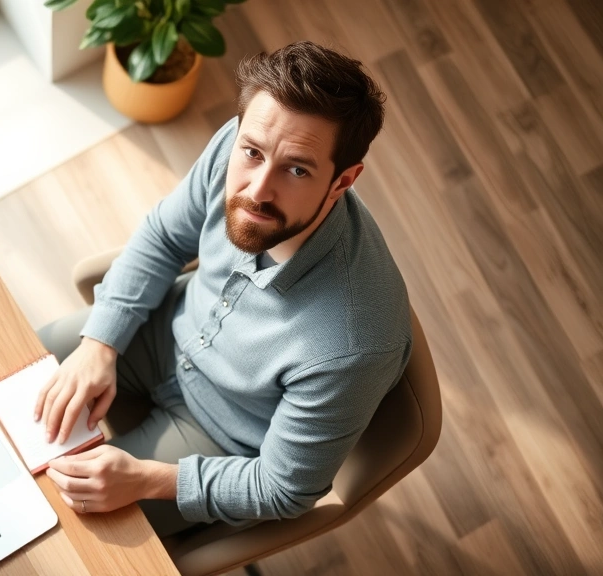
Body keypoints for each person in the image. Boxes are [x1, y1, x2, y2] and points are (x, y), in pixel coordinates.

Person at [34, 41, 412, 538]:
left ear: (343, 181)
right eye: (251, 152)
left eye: (296, 169)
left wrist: (146, 480)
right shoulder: (238, 143)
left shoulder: (351, 344)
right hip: (164, 331)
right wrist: (100, 343)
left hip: (221, 434)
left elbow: (284, 488)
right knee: (11, 373)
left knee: (60, 528)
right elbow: (165, 236)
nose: (257, 189)